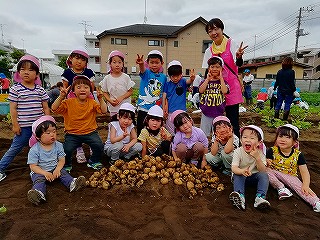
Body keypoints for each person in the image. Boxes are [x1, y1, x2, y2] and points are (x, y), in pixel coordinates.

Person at [0, 55, 50, 182]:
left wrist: (48, 122)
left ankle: (43, 168)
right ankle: (1, 168)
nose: (26, 72)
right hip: (24, 127)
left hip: (39, 128)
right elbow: (13, 109)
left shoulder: (40, 90)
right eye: (22, 69)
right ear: (18, 72)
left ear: (37, 74)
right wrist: (15, 124)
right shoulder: (16, 89)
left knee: (41, 148)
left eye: (30, 70)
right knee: (15, 148)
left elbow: (45, 108)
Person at [51, 75, 107, 172]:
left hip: (90, 132)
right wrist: (61, 96)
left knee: (99, 145)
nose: (82, 89)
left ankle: (93, 161)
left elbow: (104, 111)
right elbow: (54, 108)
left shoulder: (92, 102)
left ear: (90, 90)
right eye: (78, 87)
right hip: (72, 133)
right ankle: (67, 164)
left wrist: (101, 98)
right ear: (73, 91)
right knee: (66, 150)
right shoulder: (68, 102)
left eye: (86, 87)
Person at [202, 18, 247, 138]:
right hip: (216, 90)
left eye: (216, 29)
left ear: (222, 29)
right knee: (217, 121)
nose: (213, 33)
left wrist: (238, 57)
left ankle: (235, 148)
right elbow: (207, 71)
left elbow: (239, 65)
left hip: (231, 88)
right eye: (210, 31)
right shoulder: (209, 50)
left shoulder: (231, 43)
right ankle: (218, 146)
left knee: (232, 121)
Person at [27, 115, 86, 205]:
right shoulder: (34, 149)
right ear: (38, 137)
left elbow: (62, 160)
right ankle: (38, 193)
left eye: (54, 131)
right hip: (40, 171)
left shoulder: (58, 145)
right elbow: (33, 166)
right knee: (39, 180)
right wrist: (45, 173)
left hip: (55, 168)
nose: (52, 134)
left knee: (64, 173)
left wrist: (57, 169)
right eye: (47, 133)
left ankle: (72, 184)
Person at [266, 124, 320, 212]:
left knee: (302, 188)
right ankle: (281, 188)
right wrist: (267, 162)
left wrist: (306, 184)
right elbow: (266, 164)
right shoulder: (272, 150)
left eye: (287, 137)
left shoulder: (298, 155)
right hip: (274, 173)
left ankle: (315, 202)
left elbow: (304, 172)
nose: (283, 139)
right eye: (280, 136)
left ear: (295, 142)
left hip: (290, 176)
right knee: (266, 171)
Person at [61, 47, 95, 163]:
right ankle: (79, 149)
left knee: (89, 122)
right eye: (76, 58)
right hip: (73, 102)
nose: (79, 61)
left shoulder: (89, 72)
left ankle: (92, 145)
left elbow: (92, 86)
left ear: (86, 62)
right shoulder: (67, 72)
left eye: (82, 60)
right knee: (76, 124)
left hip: (88, 100)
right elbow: (64, 88)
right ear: (71, 59)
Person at [229, 125, 270, 210]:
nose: (247, 140)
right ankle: (240, 196)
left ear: (259, 142)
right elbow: (234, 168)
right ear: (241, 140)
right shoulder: (238, 152)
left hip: (254, 177)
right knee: (237, 175)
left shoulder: (260, 153)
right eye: (244, 137)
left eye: (252, 138)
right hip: (241, 176)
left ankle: (260, 198)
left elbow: (262, 170)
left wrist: (257, 158)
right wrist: (242, 171)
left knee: (264, 176)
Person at [135, 50, 167, 136]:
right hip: (144, 108)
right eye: (151, 62)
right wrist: (141, 64)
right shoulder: (147, 73)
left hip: (156, 110)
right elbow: (142, 70)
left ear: (162, 63)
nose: (154, 65)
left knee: (155, 131)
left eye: (157, 62)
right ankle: (141, 147)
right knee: (141, 130)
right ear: (147, 63)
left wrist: (163, 109)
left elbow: (163, 94)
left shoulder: (164, 77)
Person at [99, 50, 135, 121]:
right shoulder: (107, 78)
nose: (117, 64)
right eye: (114, 62)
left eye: (119, 62)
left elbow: (130, 91)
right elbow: (104, 92)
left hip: (125, 107)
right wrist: (109, 100)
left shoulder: (126, 77)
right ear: (110, 64)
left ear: (123, 64)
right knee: (114, 125)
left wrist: (121, 98)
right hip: (113, 108)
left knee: (125, 125)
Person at [162, 60, 195, 135]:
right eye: (173, 76)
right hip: (170, 112)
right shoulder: (167, 84)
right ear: (169, 76)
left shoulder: (183, 81)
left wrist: (192, 78)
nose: (176, 78)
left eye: (178, 75)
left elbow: (188, 82)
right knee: (171, 131)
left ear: (181, 74)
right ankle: (173, 145)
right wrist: (163, 109)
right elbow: (164, 97)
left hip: (182, 111)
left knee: (183, 129)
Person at [198, 56, 228, 137]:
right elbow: (201, 90)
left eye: (218, 67)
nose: (215, 69)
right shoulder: (204, 81)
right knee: (204, 134)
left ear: (221, 69)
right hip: (206, 112)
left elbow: (225, 91)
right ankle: (205, 148)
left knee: (218, 133)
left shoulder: (223, 82)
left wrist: (221, 78)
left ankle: (216, 148)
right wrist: (207, 79)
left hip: (219, 112)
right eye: (212, 67)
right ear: (208, 68)